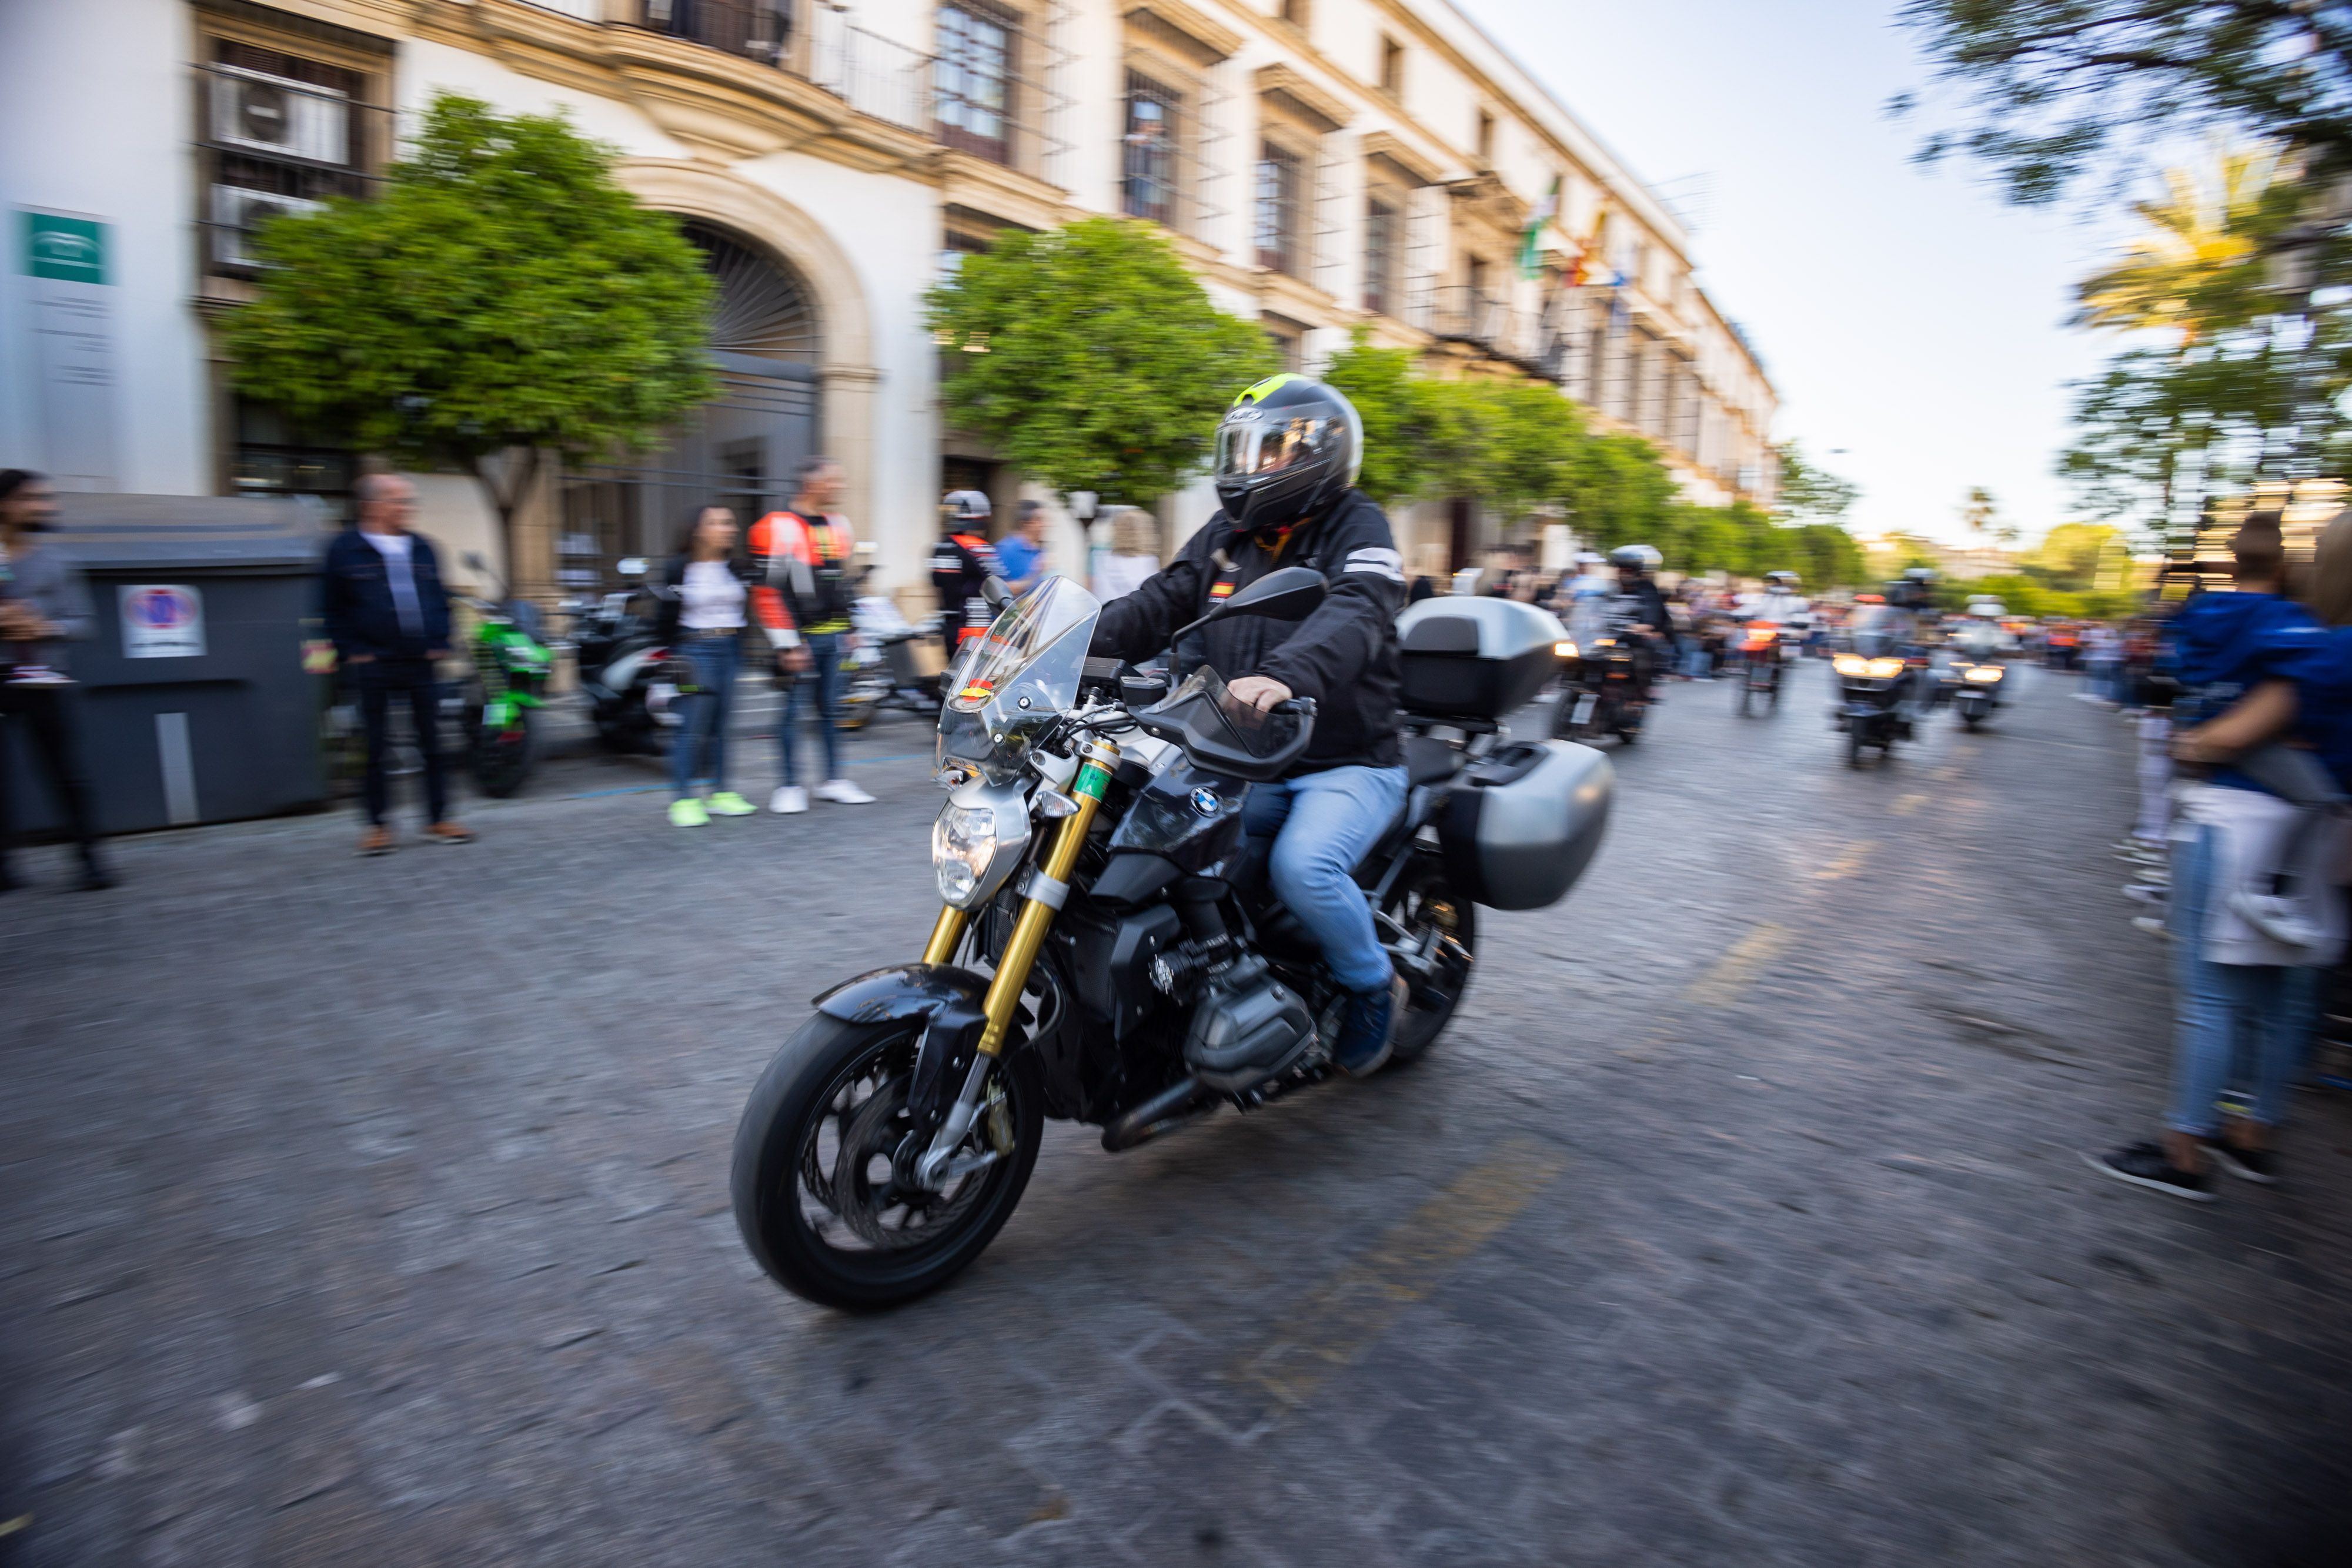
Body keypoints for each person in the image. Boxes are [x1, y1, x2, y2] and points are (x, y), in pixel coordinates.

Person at [1088, 373, 1409, 1075]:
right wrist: (1066, 647)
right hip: (1241, 755)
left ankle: (1372, 986)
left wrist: (1286, 675)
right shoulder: (1231, 534)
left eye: (1269, 452)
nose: (1250, 469)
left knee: (1305, 866)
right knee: (1156, 841)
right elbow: (1162, 600)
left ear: (1317, 455)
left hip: (1347, 762)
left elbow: (1356, 608)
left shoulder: (1359, 525)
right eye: (1241, 453)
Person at [2090, 510, 2352, 1200]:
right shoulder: (2299, 630)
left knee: (2209, 998)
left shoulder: (2310, 642)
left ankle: (2184, 1152)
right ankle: (2251, 1137)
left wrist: (2195, 744)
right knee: (2279, 1003)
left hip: (2238, 822)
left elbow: (2236, 724)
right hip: (2314, 842)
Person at [320, 474, 472, 856]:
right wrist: (350, 649)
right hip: (373, 660)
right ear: (372, 505)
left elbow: (441, 598)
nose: (407, 508)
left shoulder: (422, 547)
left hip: (420, 660)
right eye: (398, 501)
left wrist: (441, 641)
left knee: (433, 744)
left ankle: (437, 819)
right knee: (374, 747)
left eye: (408, 501)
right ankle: (377, 826)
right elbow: (331, 608)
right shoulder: (344, 549)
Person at [0, 470, 111, 891]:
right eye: (32, 498)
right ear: (5, 504)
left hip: (41, 678)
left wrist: (44, 627)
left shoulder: (55, 562)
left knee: (65, 771)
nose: (44, 506)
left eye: (45, 498)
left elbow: (83, 623)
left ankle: (90, 860)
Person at [751, 457, 876, 815]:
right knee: (791, 713)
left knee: (830, 712)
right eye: (833, 481)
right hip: (801, 640)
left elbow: (841, 579)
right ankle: (789, 786)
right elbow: (767, 592)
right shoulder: (777, 526)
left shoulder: (838, 525)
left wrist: (851, 627)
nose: (839, 487)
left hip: (835, 638)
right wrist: (787, 644)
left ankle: (833, 780)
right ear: (811, 484)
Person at [656, 506, 758, 827]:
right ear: (698, 531)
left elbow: (748, 612)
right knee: (692, 726)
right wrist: (668, 657)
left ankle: (721, 794)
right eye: (716, 523)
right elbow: (664, 616)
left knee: (721, 727)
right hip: (692, 650)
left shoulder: (739, 568)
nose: (727, 528)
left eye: (729, 522)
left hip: (729, 649)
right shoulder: (678, 569)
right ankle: (684, 800)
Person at [931, 490, 1002, 659]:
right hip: (976, 631)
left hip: (950, 629)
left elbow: (936, 589)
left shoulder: (939, 548)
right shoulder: (978, 548)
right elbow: (1004, 587)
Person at [1092, 507, 1160, 602]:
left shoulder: (1101, 558)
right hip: (1134, 614)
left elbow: (1093, 590)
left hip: (1106, 612)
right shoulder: (1149, 561)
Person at [995, 499, 1050, 594]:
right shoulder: (1005, 550)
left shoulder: (1040, 550)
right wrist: (1036, 574)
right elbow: (1001, 589)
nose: (1045, 525)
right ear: (1025, 524)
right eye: (1039, 520)